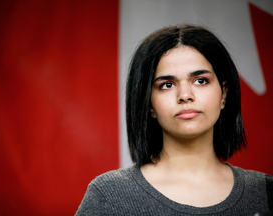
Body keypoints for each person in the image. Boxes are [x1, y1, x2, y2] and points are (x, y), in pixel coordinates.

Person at [75, 25, 273, 215]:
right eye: (167, 84)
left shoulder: (265, 192)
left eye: (200, 80)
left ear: (224, 94)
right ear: (149, 104)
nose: (185, 95)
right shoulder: (109, 196)